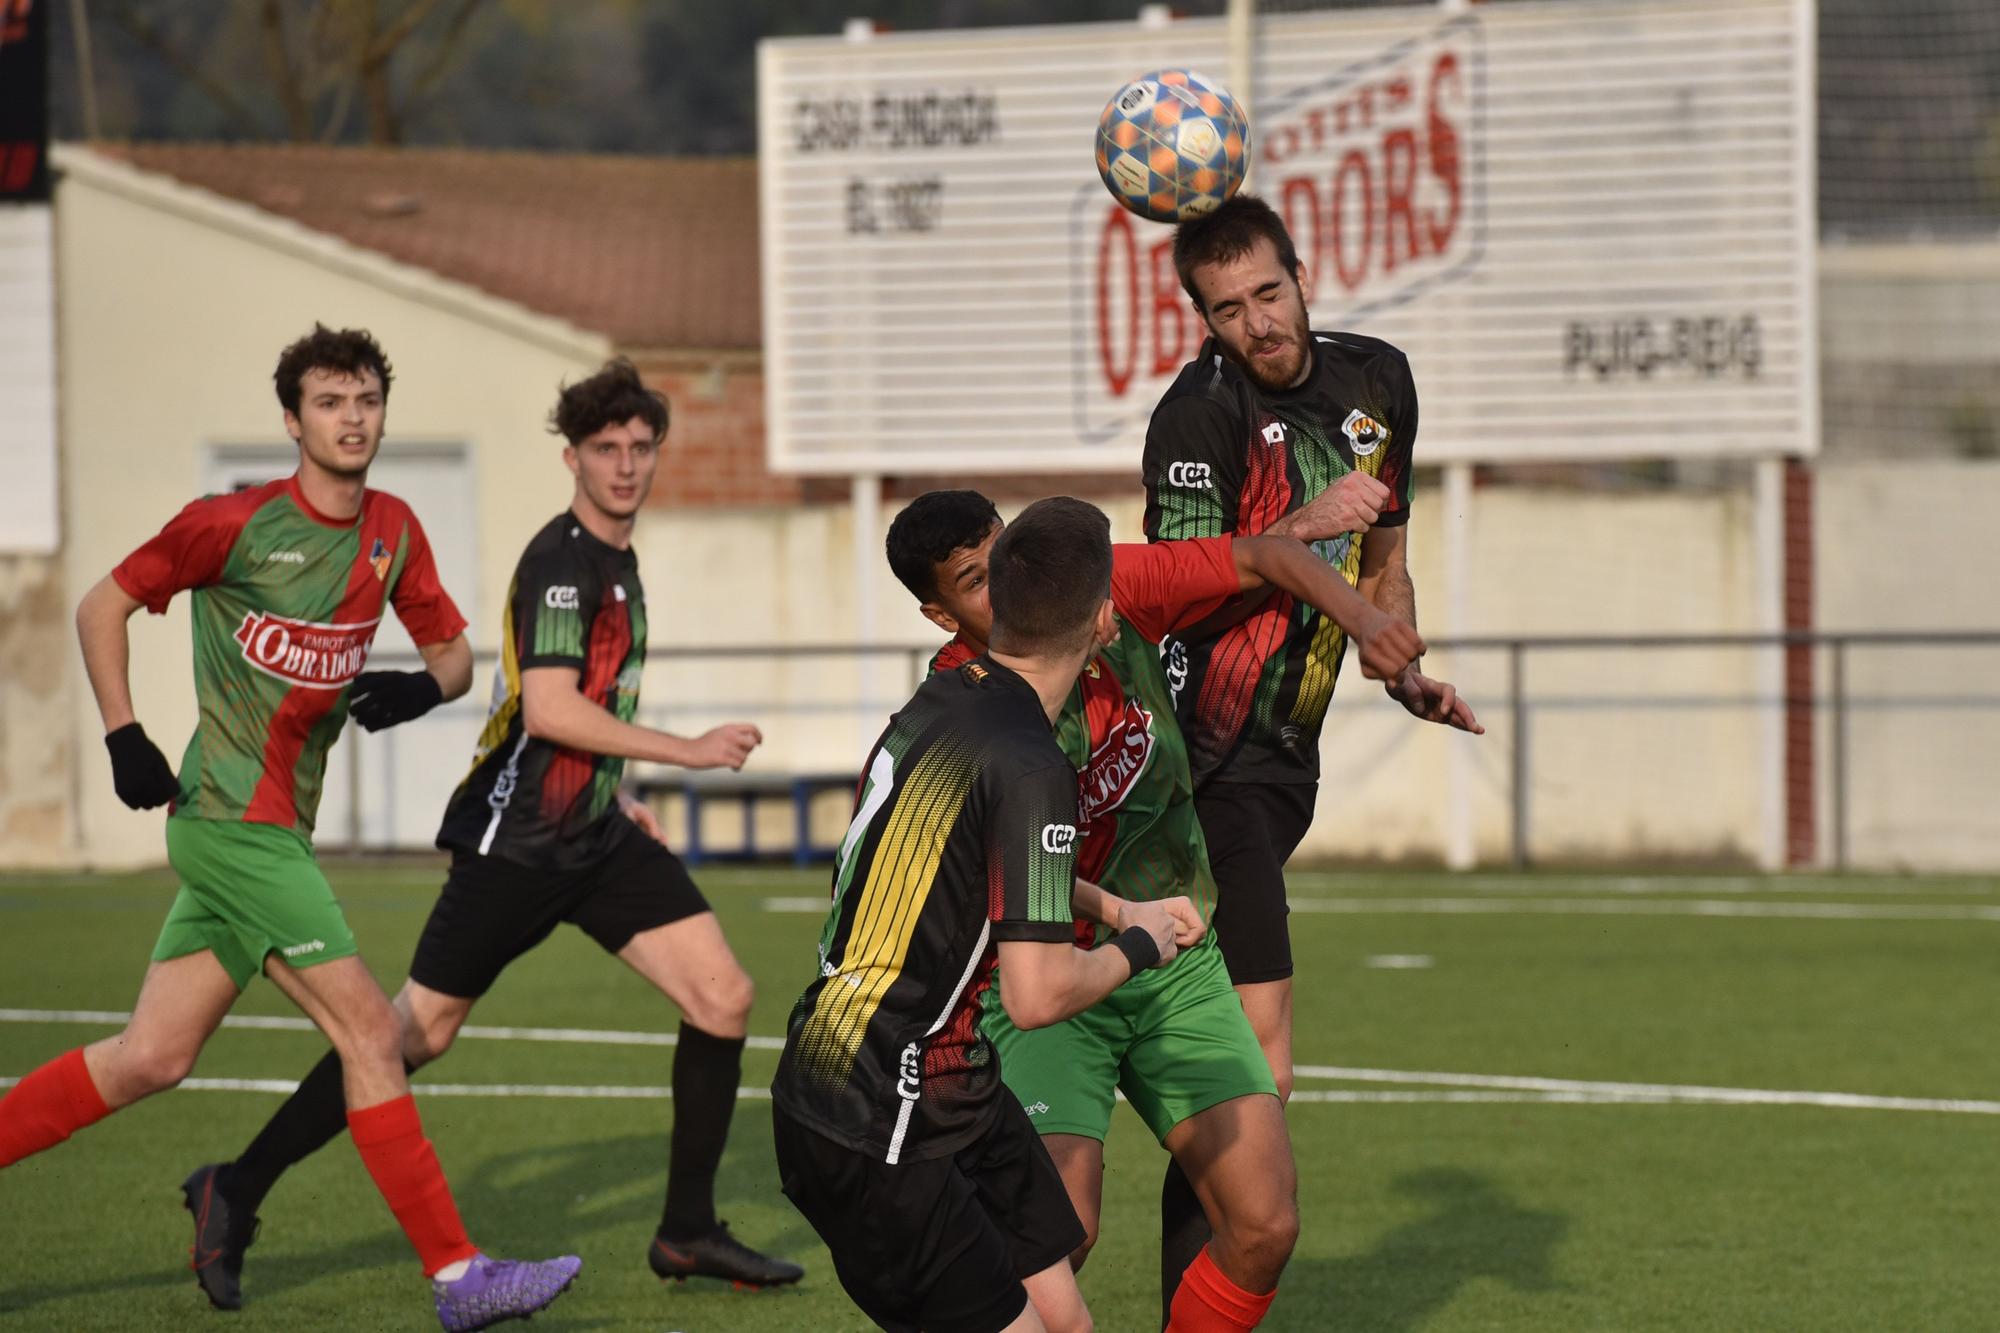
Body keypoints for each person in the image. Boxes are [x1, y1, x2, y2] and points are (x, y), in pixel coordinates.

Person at [175, 359, 803, 1310]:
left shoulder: (618, 561)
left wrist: (618, 788)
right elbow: (549, 709)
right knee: (405, 1033)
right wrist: (689, 749)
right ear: (573, 458)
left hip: (593, 834)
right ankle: (238, 1184)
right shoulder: (561, 564)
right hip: (518, 846)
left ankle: (685, 1229)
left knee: (722, 995)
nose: (627, 465)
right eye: (606, 449)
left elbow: (579, 706)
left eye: (641, 448)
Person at [0, 325, 580, 1329]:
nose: (351, 418)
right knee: (371, 1030)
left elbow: (450, 658)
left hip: (273, 835)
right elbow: (102, 606)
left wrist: (417, 688)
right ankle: (458, 1276)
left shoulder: (392, 527)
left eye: (364, 400)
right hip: (232, 824)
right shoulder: (231, 523)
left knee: (151, 1056)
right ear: (292, 419)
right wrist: (123, 735)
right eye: (328, 401)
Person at [887, 489, 1426, 1332]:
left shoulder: (1097, 587)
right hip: (1046, 980)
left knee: (1264, 1222)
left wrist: (1367, 619)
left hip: (1172, 960)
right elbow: (989, 862)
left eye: (1005, 555)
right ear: (935, 610)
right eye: (973, 580)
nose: (1005, 582)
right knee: (1058, 1238)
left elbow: (1262, 556)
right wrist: (1113, 913)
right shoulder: (969, 703)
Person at [1143, 193, 1485, 1307]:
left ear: (1302, 276)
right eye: (1226, 308)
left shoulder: (1376, 378)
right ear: (1201, 318)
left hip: (1285, 755)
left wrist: (1399, 663)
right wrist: (1304, 521)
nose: (1256, 323)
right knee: (1255, 1066)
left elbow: (1386, 563)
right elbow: (1173, 600)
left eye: (1268, 293)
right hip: (1201, 761)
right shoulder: (1195, 417)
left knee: (1227, 1073)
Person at [771, 497, 1201, 1333]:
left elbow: (971, 858)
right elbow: (1037, 995)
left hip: (945, 1083)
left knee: (1068, 1320)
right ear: (1105, 614)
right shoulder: (1032, 762)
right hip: (871, 1113)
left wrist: (1111, 902)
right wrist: (1140, 943)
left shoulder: (948, 698)